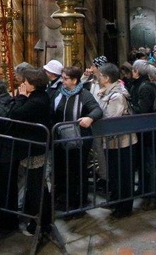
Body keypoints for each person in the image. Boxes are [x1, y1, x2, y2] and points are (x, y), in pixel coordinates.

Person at [0, 68, 51, 236]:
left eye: (26, 82)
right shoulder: (38, 96)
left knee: (36, 186)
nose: (22, 84)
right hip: (29, 148)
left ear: (34, 84)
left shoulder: (37, 100)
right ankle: (38, 218)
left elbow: (16, 114)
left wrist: (20, 97)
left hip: (34, 149)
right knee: (34, 185)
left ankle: (41, 222)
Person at [51, 65, 103, 213]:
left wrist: (90, 117)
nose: (63, 81)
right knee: (62, 169)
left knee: (77, 170)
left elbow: (97, 110)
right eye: (62, 77)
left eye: (66, 78)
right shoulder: (58, 93)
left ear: (74, 80)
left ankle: (78, 202)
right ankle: (64, 198)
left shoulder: (84, 95)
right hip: (61, 138)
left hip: (79, 139)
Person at [95, 63, 137, 217]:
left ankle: (124, 207)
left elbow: (111, 118)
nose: (98, 78)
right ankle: (115, 201)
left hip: (122, 141)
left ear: (106, 78)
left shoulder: (117, 95)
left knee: (123, 175)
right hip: (111, 141)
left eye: (100, 75)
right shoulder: (107, 92)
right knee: (114, 174)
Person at [128, 60, 156, 210]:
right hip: (141, 130)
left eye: (134, 70)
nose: (132, 72)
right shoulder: (139, 85)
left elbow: (142, 110)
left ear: (138, 72)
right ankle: (143, 190)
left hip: (148, 131)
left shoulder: (146, 87)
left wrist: (128, 107)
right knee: (142, 163)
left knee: (150, 163)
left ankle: (153, 196)